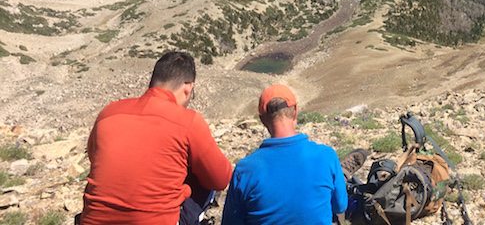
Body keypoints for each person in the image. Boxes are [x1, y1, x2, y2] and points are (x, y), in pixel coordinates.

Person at [81, 51, 233, 225]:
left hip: (92, 221)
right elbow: (221, 179)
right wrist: (185, 189)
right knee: (203, 176)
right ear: (188, 88)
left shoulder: (109, 112)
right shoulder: (188, 121)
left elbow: (95, 158)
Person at [221, 84, 348, 225]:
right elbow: (340, 206)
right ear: (295, 112)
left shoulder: (245, 170)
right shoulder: (326, 156)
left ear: (262, 120)